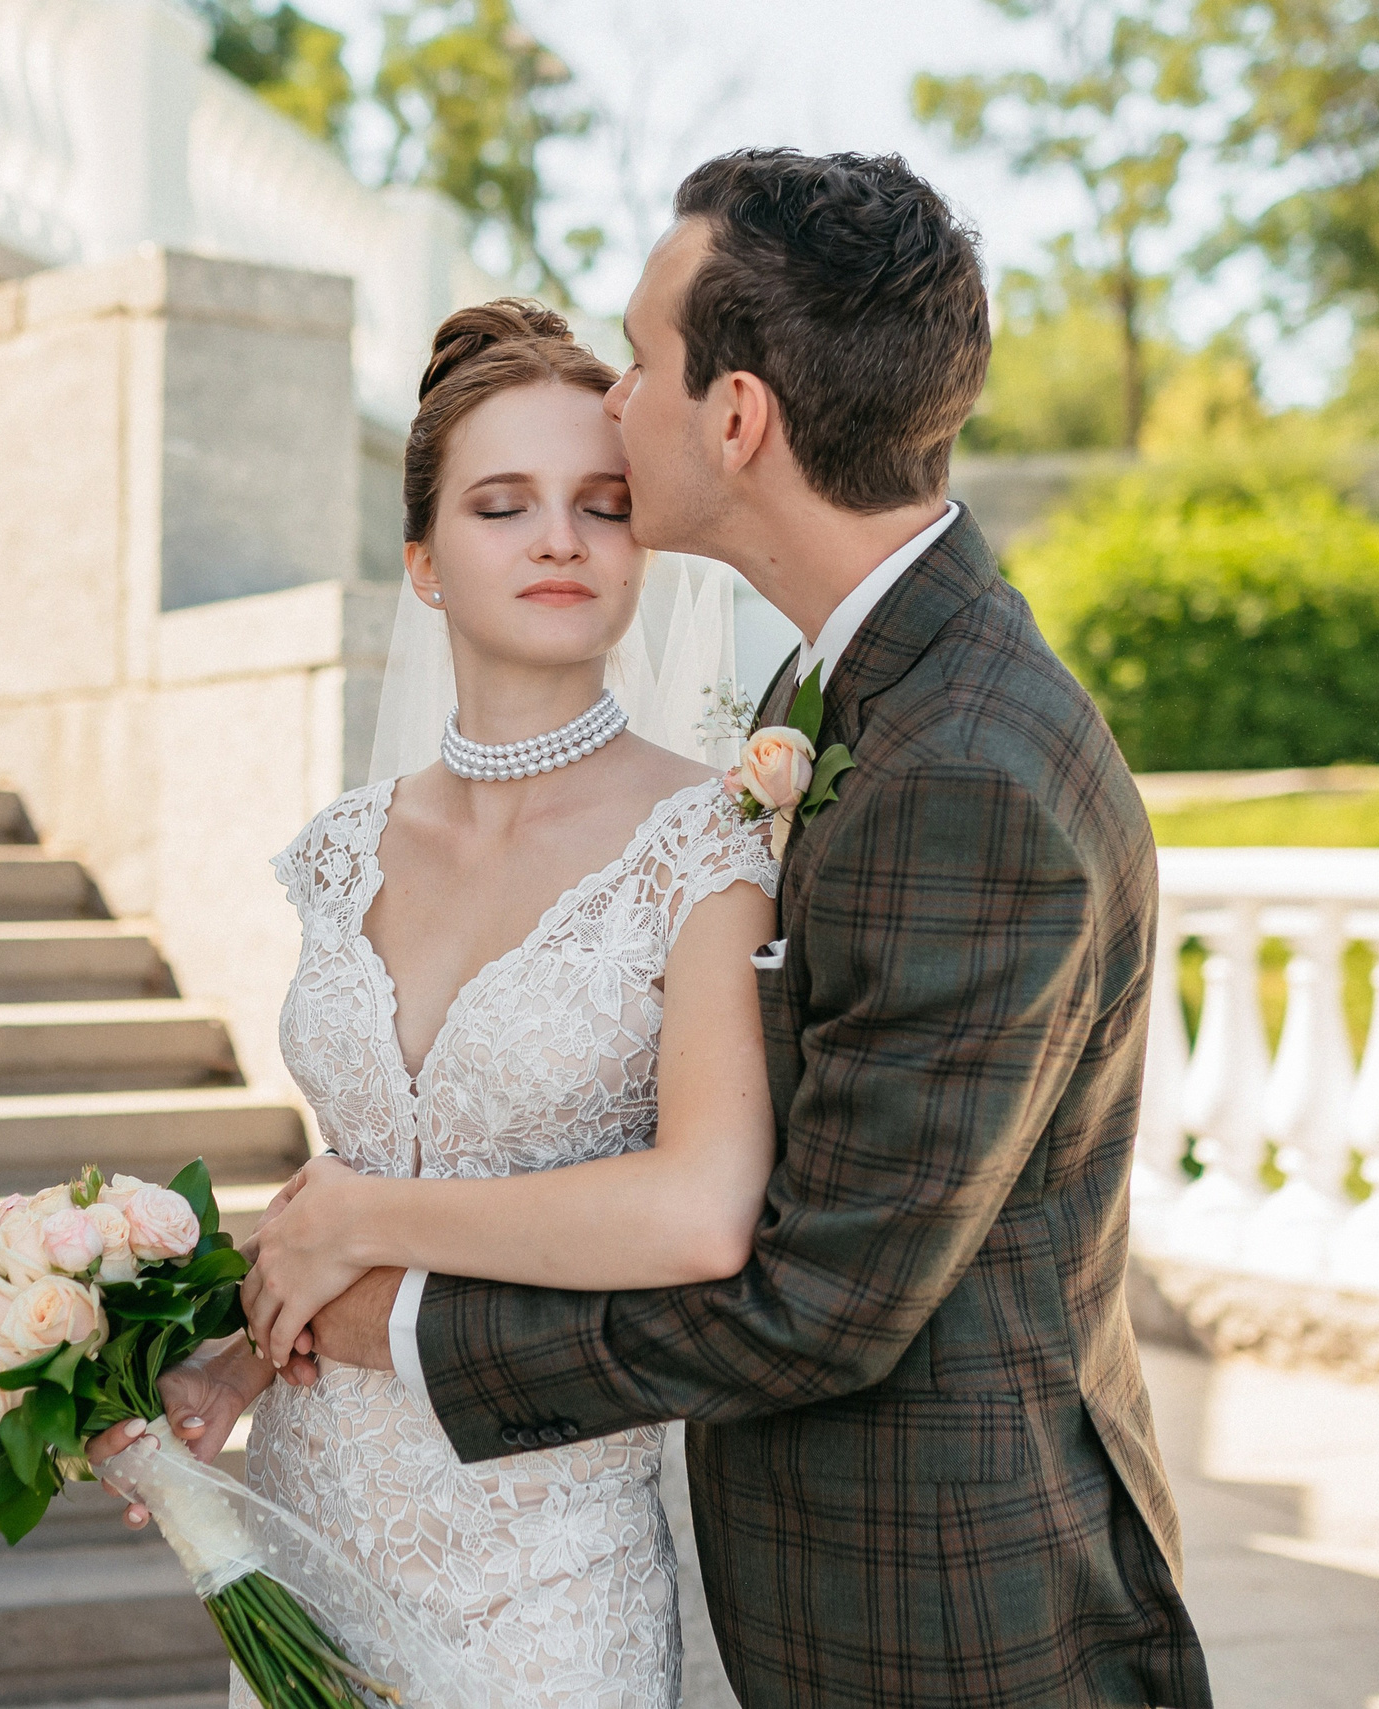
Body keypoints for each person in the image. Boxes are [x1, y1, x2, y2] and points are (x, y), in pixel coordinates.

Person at [102, 148, 1213, 1709]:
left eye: (642, 361)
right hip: (722, 1573)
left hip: (950, 1619)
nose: (616, 399)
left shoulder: (962, 762)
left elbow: (813, 1295)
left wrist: (381, 1310)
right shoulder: (829, 695)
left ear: (739, 418)